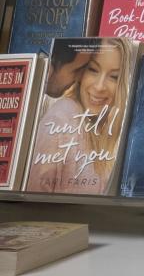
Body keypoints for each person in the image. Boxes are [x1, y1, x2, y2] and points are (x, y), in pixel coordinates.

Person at [25, 39, 126, 194]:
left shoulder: (104, 126)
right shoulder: (61, 118)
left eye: (114, 77)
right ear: (80, 74)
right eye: (93, 69)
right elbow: (34, 197)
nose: (99, 86)